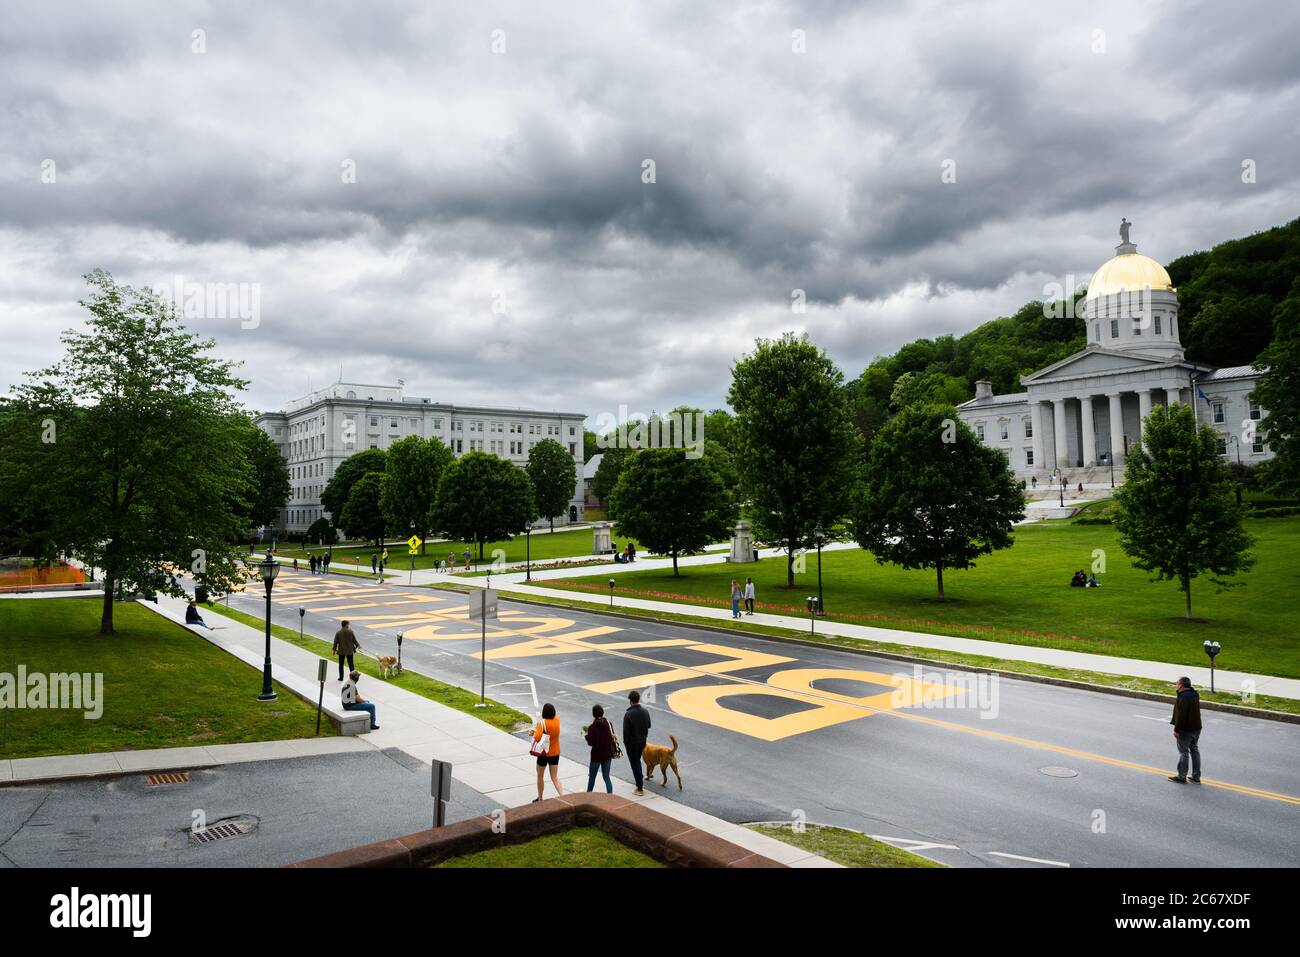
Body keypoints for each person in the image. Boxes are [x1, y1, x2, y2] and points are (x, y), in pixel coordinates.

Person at [1169, 677, 1202, 784]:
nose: (1176, 684)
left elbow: (1181, 716)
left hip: (1185, 729)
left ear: (1182, 685)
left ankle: (1182, 776)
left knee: (1184, 752)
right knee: (1194, 750)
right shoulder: (1195, 694)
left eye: (1177, 683)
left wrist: (1177, 729)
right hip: (1196, 727)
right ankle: (1196, 776)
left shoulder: (1183, 697)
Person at [531, 703, 563, 802]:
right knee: (554, 777)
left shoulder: (543, 723)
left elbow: (537, 737)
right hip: (555, 752)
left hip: (544, 753)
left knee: (540, 776)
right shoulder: (557, 720)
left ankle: (540, 798)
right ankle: (563, 797)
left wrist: (533, 733)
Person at [622, 690, 652, 795]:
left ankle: (639, 788)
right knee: (637, 761)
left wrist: (626, 744)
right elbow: (648, 725)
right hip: (642, 742)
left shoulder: (628, 714)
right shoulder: (645, 711)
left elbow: (626, 733)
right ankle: (640, 781)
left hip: (632, 744)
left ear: (630, 700)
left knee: (635, 764)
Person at [584, 703, 617, 793]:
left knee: (592, 776)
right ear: (602, 712)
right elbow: (611, 736)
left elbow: (591, 743)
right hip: (607, 754)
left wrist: (586, 736)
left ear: (593, 714)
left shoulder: (592, 727)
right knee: (606, 777)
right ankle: (610, 795)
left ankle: (589, 793)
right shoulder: (608, 723)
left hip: (596, 756)